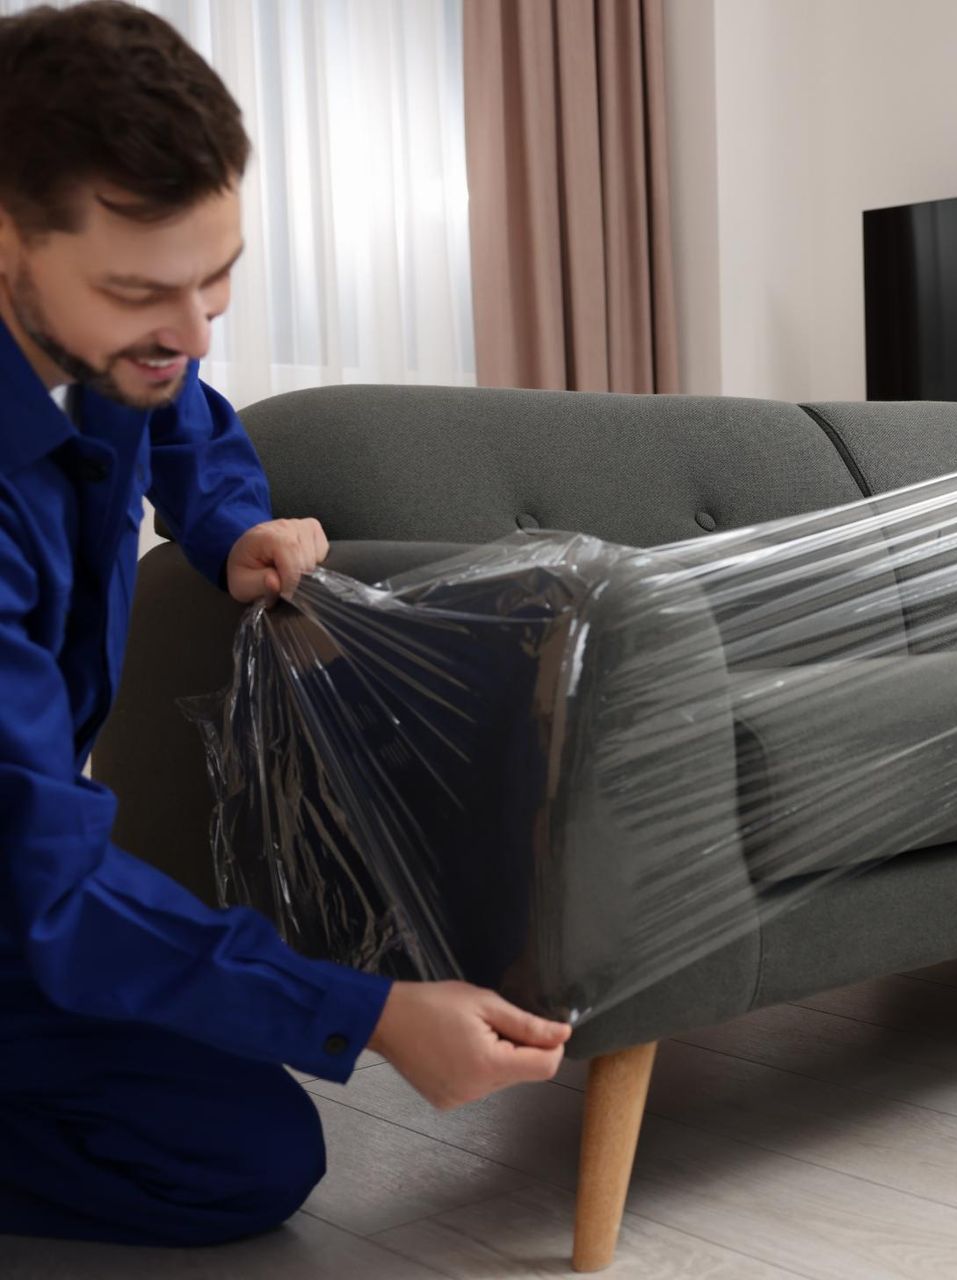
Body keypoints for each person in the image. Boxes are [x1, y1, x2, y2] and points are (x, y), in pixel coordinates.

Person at [0, 2, 570, 1246]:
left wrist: (228, 526)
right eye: (145, 292)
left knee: (242, 1143)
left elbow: (182, 418)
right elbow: (40, 878)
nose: (195, 331)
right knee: (232, 1158)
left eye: (216, 279)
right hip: (19, 872)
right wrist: (372, 1014)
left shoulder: (116, 344)